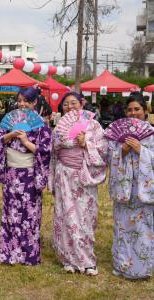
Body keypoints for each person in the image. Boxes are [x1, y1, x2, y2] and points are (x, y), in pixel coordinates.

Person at [49, 92, 108, 276]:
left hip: (84, 175)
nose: (69, 107)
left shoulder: (94, 125)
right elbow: (53, 153)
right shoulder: (59, 127)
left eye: (73, 103)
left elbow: (103, 151)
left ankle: (88, 261)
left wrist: (86, 144)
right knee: (66, 216)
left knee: (85, 217)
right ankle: (68, 259)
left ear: (81, 103)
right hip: (64, 175)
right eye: (65, 104)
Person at [0, 88, 52, 265]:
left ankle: (29, 254)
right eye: (20, 101)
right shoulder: (10, 120)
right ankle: (9, 252)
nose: (23, 104)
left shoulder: (41, 124)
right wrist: (9, 135)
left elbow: (45, 151)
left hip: (29, 174)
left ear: (35, 102)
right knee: (11, 212)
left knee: (30, 214)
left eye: (27, 101)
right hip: (12, 172)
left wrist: (27, 142)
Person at [107, 92, 154, 279]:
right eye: (129, 110)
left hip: (144, 189)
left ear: (146, 111)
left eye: (137, 109)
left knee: (143, 227)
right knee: (122, 226)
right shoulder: (117, 138)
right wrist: (121, 152)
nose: (133, 113)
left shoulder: (151, 135)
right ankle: (122, 265)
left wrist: (141, 150)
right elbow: (109, 159)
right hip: (124, 188)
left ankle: (142, 268)